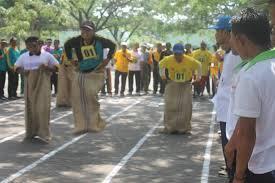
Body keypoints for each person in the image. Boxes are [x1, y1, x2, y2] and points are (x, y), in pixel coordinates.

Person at [225, 8, 275, 183]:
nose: (231, 41)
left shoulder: (251, 76)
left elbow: (247, 133)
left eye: (231, 36)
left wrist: (239, 176)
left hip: (261, 165)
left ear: (240, 39)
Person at [64, 21, 116, 134]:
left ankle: (94, 123)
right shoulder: (76, 40)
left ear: (93, 31)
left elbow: (113, 45)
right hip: (81, 70)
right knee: (78, 97)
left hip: (96, 71)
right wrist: (71, 59)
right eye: (83, 30)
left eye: (88, 30)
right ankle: (81, 125)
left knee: (91, 95)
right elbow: (67, 44)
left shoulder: (100, 40)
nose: (85, 33)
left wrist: (108, 58)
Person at [209, 15, 242, 182]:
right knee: (230, 160)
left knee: (233, 160)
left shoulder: (238, 54)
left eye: (217, 31)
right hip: (225, 114)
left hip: (233, 116)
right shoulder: (229, 53)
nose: (215, 35)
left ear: (226, 32)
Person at [14, 36, 59, 143]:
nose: (32, 49)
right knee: (30, 108)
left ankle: (44, 133)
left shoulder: (47, 55)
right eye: (29, 47)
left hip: (43, 85)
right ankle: (30, 132)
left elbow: (58, 68)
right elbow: (15, 67)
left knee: (42, 109)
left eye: (33, 46)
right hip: (29, 85)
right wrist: (22, 71)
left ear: (39, 44)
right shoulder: (24, 56)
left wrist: (47, 68)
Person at [159, 43, 202, 134]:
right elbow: (160, 64)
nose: (177, 56)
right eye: (175, 54)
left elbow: (199, 66)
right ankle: (170, 127)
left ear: (183, 53)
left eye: (179, 54)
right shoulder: (168, 59)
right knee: (170, 105)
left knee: (185, 106)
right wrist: (163, 75)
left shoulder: (190, 60)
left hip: (185, 84)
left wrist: (198, 78)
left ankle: (184, 128)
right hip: (173, 83)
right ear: (173, 53)